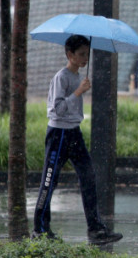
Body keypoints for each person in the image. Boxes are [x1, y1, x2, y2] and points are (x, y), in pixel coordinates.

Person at [32, 34, 123, 245]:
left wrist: (79, 90)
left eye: (87, 54)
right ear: (69, 54)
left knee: (88, 177)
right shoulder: (61, 78)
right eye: (81, 54)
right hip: (59, 134)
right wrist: (78, 92)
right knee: (49, 180)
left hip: (74, 133)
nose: (85, 58)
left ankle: (96, 229)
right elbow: (56, 110)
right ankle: (40, 229)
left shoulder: (78, 77)